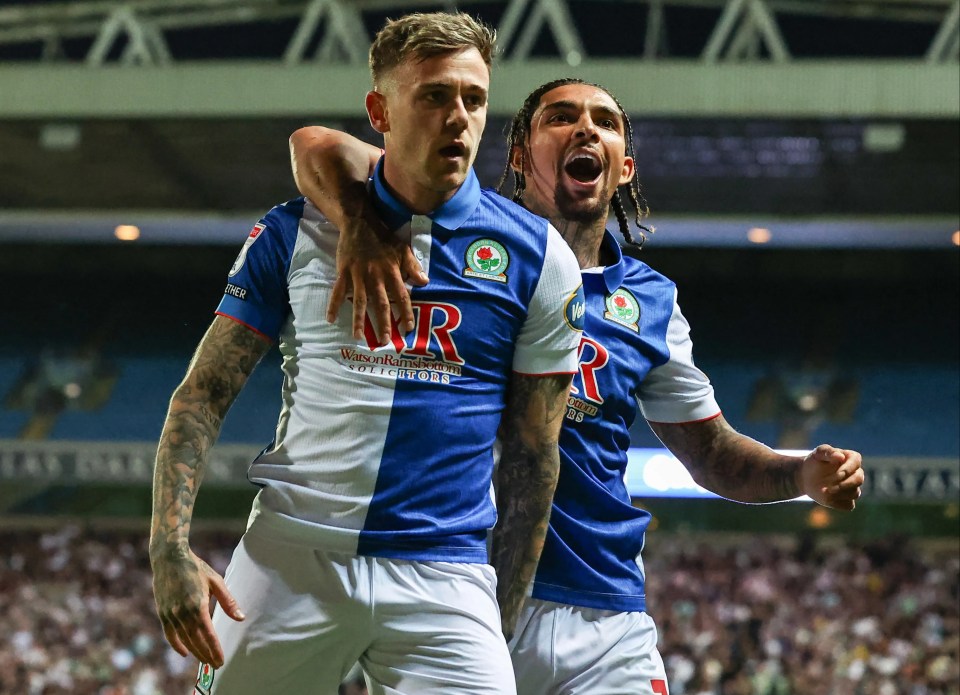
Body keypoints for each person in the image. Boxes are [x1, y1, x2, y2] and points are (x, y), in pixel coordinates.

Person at [288, 78, 865, 695]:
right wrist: (359, 221)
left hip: (606, 616)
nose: (586, 129)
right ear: (517, 155)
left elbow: (714, 456)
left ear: (624, 168)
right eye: (560, 117)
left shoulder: (649, 302)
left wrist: (801, 474)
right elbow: (315, 143)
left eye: (605, 122)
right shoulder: (454, 238)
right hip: (457, 598)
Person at [149, 14, 587, 695]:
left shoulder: (537, 256)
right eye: (435, 96)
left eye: (474, 98)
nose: (459, 118)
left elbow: (535, 453)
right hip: (294, 554)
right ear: (379, 110)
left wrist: (497, 617)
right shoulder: (295, 231)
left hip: (446, 573)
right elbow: (202, 395)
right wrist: (168, 546)